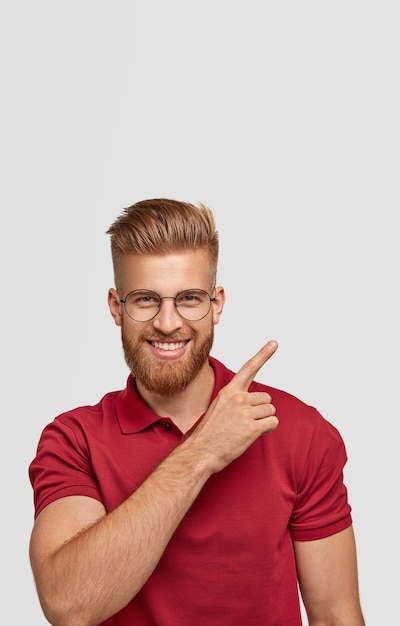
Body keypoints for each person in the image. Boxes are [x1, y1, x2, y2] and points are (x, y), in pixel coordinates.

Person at [28, 198, 365, 626]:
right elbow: (69, 604)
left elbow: (336, 616)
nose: (168, 323)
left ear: (217, 304)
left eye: (188, 298)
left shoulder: (299, 431)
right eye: (146, 299)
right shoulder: (73, 439)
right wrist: (204, 449)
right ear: (116, 307)